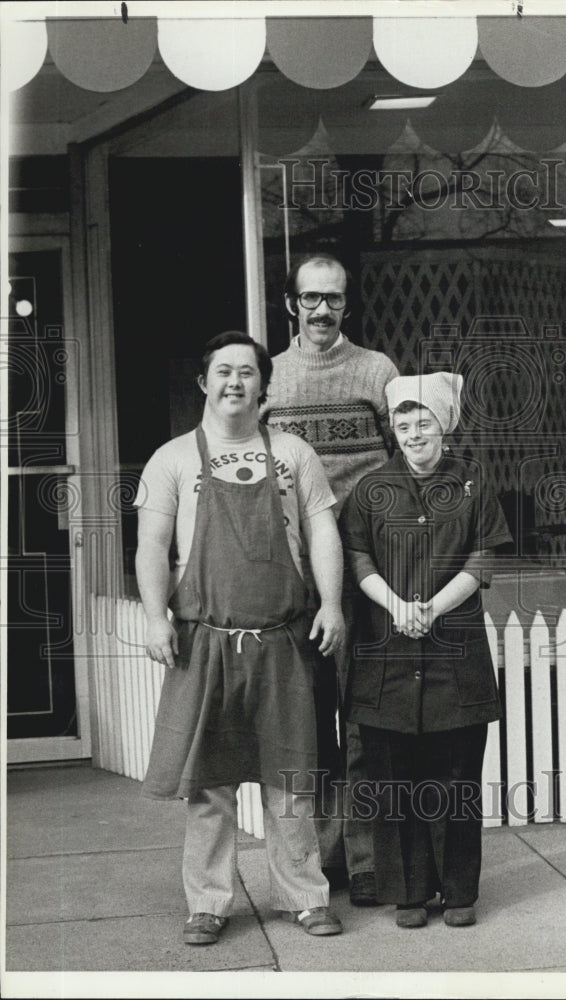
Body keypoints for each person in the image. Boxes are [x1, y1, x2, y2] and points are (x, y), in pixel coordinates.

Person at [135, 331, 346, 944]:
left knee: (292, 779)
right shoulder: (171, 458)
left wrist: (331, 604)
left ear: (263, 385)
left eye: (247, 372)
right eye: (223, 372)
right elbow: (151, 544)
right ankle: (208, 903)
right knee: (208, 784)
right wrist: (155, 616)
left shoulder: (294, 455)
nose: (235, 382)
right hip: (205, 641)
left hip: (283, 641)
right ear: (204, 383)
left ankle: (305, 897)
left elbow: (323, 533)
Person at [339, 372, 512, 929]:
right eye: (403, 423)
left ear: (445, 424)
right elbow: (358, 559)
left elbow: (484, 557)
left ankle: (459, 893)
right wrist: (395, 605)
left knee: (456, 777)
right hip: (387, 650)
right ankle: (410, 893)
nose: (413, 433)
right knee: (395, 779)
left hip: (454, 651)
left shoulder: (473, 481)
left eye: (424, 421)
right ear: (392, 429)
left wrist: (433, 608)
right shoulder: (370, 490)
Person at [264, 252, 399, 906]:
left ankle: (367, 859)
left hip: (366, 576)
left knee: (365, 717)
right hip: (294, 581)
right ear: (290, 304)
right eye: (311, 298)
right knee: (310, 722)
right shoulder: (269, 379)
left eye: (334, 299)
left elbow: (408, 469)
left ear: (347, 304)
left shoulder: (376, 372)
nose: (322, 310)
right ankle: (321, 860)